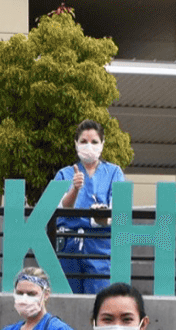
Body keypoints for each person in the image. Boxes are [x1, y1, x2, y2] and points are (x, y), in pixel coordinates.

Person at [51, 121, 127, 295]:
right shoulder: (64, 174)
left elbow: (118, 210)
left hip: (99, 248)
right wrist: (75, 189)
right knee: (67, 303)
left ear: (102, 144)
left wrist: (102, 217)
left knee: (99, 303)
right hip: (69, 247)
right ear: (76, 143)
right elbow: (60, 208)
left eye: (94, 142)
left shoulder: (114, 172)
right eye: (83, 141)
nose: (89, 146)